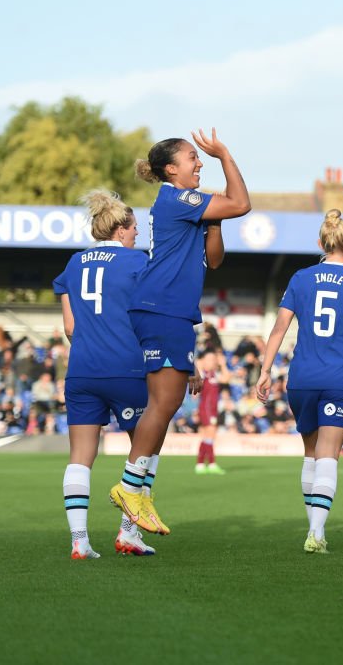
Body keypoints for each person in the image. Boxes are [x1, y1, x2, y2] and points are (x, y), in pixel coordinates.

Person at [109, 129, 251, 531]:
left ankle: (133, 512)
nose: (199, 161)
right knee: (164, 406)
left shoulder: (186, 205)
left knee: (164, 407)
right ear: (172, 169)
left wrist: (216, 220)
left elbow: (216, 260)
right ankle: (130, 488)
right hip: (163, 309)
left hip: (169, 312)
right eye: (192, 157)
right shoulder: (175, 198)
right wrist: (224, 153)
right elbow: (242, 203)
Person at [255, 210, 343, 554]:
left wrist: (265, 370)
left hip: (302, 377)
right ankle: (316, 532)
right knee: (329, 454)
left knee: (311, 453)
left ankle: (313, 527)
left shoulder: (300, 278)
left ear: (320, 243)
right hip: (339, 377)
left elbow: (279, 329)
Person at [53, 190, 154, 559]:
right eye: (134, 229)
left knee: (80, 456)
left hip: (81, 370)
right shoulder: (135, 261)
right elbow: (152, 314)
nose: (137, 236)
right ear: (121, 229)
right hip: (126, 369)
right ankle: (128, 533)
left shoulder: (74, 263)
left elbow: (69, 327)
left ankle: (79, 541)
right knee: (145, 451)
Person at [195, 350, 226, 475]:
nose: (213, 361)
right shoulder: (203, 374)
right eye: (210, 359)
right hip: (206, 409)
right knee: (211, 435)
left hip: (213, 409)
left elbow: (227, 377)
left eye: (214, 359)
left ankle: (200, 464)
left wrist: (223, 364)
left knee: (208, 437)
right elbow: (197, 363)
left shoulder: (214, 374)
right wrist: (203, 361)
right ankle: (211, 463)